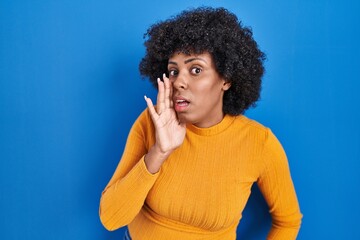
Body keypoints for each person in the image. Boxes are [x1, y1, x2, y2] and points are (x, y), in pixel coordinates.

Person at [99, 7, 302, 240]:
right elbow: (111, 218)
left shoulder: (259, 143)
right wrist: (159, 151)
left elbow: (288, 222)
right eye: (173, 71)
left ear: (225, 78)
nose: (179, 82)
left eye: (196, 69)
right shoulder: (152, 121)